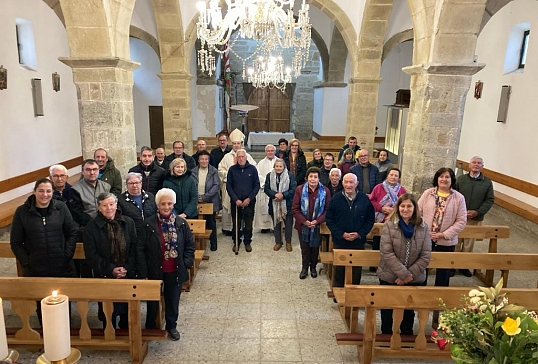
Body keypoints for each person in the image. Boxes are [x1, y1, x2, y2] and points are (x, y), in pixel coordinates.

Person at [138, 188, 195, 341]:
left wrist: (186, 263)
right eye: (163, 204)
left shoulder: (181, 223)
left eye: (170, 203)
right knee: (152, 300)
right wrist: (143, 272)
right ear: (158, 205)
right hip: (154, 269)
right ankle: (150, 325)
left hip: (175, 269)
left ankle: (171, 326)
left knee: (173, 300)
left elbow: (190, 245)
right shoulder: (148, 224)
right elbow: (140, 248)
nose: (166, 207)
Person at [83, 192, 140, 329]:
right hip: (105, 275)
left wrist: (127, 267)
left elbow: (134, 248)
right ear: (98, 208)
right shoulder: (91, 228)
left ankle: (127, 330)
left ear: (116, 205)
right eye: (104, 205)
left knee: (127, 308)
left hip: (127, 274)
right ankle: (109, 331)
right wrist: (111, 269)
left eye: (111, 204)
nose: (109, 208)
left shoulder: (128, 222)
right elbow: (91, 255)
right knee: (108, 311)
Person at [377, 193, 431, 335]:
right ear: (398, 207)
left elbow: (425, 255)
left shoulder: (422, 226)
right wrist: (403, 274)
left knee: (409, 308)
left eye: (409, 206)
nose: (405, 209)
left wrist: (410, 275)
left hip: (414, 277)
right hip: (390, 274)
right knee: (387, 307)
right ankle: (386, 334)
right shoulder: (389, 225)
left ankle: (406, 334)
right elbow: (386, 252)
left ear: (414, 208)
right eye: (402, 206)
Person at [11, 178, 78, 278]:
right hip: (34, 269)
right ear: (34, 191)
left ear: (53, 192)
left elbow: (72, 232)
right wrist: (27, 262)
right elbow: (16, 242)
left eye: (48, 191)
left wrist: (67, 255)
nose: (45, 195)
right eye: (41, 191)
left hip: (63, 267)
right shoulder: (22, 212)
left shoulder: (61, 208)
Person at [418, 167, 467, 288]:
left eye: (447, 177)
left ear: (452, 180)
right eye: (441, 177)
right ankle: (419, 294)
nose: (444, 179)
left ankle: (439, 298)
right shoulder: (428, 193)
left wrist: (443, 234)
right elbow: (418, 213)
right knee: (421, 267)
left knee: (443, 271)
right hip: (426, 237)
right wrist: (425, 231)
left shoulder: (459, 198)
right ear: (437, 178)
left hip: (446, 240)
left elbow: (461, 220)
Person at [326, 173, 374, 287]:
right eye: (346, 182)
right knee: (339, 269)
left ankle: (354, 292)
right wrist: (341, 234)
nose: (348, 185)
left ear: (356, 183)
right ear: (342, 183)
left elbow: (370, 219)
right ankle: (339, 292)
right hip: (340, 241)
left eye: (351, 182)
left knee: (356, 270)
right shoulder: (336, 199)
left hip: (358, 241)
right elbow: (329, 219)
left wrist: (360, 234)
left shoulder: (363, 199)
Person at [455, 156, 495, 277]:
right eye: (474, 162)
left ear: (482, 166)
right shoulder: (460, 179)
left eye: (479, 163)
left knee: (468, 244)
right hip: (458, 217)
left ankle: (464, 266)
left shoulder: (487, 182)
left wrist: (477, 212)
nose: (476, 164)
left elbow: (489, 199)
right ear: (469, 165)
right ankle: (451, 265)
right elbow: (454, 196)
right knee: (455, 242)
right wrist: (460, 211)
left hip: (475, 218)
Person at [292, 167, 331, 279]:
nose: (313, 179)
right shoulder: (299, 190)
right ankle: (304, 268)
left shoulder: (325, 191)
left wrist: (317, 221)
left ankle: (313, 267)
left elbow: (328, 209)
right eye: (311, 176)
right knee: (305, 248)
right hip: (302, 225)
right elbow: (295, 209)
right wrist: (304, 221)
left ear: (319, 178)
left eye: (315, 177)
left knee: (315, 248)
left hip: (318, 226)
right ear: (307, 178)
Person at [218, 129, 257, 236]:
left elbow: (254, 169)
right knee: (230, 209)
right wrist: (228, 175)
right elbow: (220, 170)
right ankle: (229, 229)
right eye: (234, 143)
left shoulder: (247, 156)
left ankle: (244, 230)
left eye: (238, 143)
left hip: (245, 191)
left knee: (245, 215)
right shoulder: (226, 157)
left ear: (241, 144)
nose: (236, 145)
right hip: (230, 189)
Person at [369, 168, 407, 261]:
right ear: (387, 175)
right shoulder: (378, 187)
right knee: (378, 242)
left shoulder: (402, 190)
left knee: (392, 244)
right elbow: (371, 201)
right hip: (380, 220)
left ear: (399, 178)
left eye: (396, 176)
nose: (393, 177)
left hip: (394, 221)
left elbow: (405, 205)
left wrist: (394, 210)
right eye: (391, 175)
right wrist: (381, 208)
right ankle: (374, 263)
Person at [226, 149, 260, 253]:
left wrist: (249, 198)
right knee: (237, 223)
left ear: (246, 157)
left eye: (242, 157)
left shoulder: (252, 169)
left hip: (249, 202)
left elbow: (256, 185)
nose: (241, 159)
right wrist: (235, 199)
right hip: (236, 202)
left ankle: (247, 242)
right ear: (236, 158)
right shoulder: (232, 170)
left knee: (248, 223)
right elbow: (229, 186)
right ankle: (236, 242)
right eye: (239, 157)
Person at [264, 159, 297, 252]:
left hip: (287, 204)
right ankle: (278, 242)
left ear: (284, 167)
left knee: (288, 224)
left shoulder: (290, 175)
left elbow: (293, 189)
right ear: (274, 167)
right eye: (277, 166)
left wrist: (283, 195)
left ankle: (288, 242)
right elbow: (266, 189)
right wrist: (275, 194)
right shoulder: (269, 176)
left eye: (280, 166)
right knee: (276, 224)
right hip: (274, 203)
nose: (278, 168)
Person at [191, 150, 221, 251]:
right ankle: (197, 245)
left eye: (206, 159)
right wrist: (197, 196)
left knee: (211, 222)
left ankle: (213, 243)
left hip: (210, 200)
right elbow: (191, 185)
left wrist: (204, 197)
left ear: (208, 160)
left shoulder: (213, 171)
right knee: (196, 222)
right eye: (202, 159)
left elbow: (216, 185)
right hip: (196, 200)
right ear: (198, 160)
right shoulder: (193, 171)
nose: (204, 161)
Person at [69, 159, 111, 227]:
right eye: (88, 170)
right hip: (87, 227)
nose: (92, 172)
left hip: (107, 223)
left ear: (98, 171)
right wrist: (95, 224)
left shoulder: (106, 186)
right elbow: (77, 213)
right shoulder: (75, 190)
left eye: (95, 169)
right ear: (82, 172)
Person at [117, 172, 157, 238]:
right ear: (126, 185)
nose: (134, 186)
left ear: (141, 184)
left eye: (137, 183)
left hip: (151, 234)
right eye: (131, 183)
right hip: (133, 235)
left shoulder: (150, 197)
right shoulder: (120, 200)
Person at [254, 144, 277, 233]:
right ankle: (265, 226)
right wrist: (266, 183)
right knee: (264, 208)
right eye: (268, 151)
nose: (270, 152)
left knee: (276, 207)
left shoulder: (279, 161)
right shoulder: (261, 163)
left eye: (272, 151)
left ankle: (276, 226)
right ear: (265, 152)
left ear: (275, 151)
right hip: (265, 189)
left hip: (276, 190)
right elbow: (258, 175)